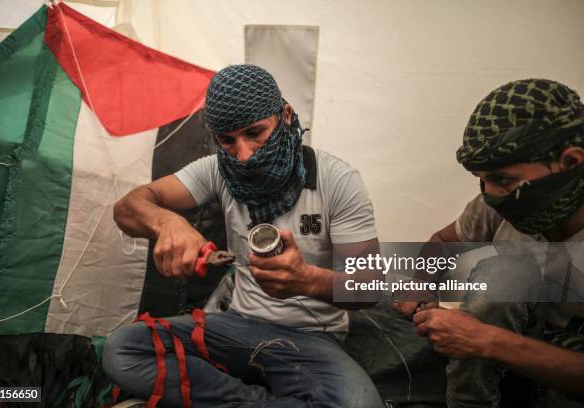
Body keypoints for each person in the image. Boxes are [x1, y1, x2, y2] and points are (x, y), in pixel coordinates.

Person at [103, 64, 383, 408]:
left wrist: (307, 280)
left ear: (285, 115)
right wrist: (168, 224)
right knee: (122, 349)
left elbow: (370, 286)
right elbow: (128, 207)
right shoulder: (218, 170)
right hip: (237, 326)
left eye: (255, 132)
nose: (245, 155)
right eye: (228, 140)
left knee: (359, 404)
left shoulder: (337, 181)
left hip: (310, 340)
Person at [402, 78, 584, 406]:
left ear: (570, 162)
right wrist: (420, 285)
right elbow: (443, 241)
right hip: (498, 378)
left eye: (502, 180)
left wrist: (486, 340)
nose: (490, 195)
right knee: (507, 274)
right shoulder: (494, 204)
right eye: (482, 181)